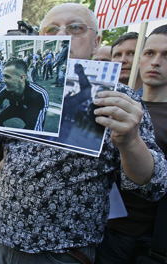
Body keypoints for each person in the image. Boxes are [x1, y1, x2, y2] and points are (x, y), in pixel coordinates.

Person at [0, 3, 167, 263]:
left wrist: (129, 141)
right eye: (51, 30)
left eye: (75, 28)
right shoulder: (12, 87)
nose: (63, 35)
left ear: (96, 43)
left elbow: (152, 183)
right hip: (3, 240)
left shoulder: (117, 98)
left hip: (62, 251)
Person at [96, 24, 167, 264]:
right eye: (149, 53)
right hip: (98, 225)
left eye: (166, 55)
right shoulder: (112, 102)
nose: (155, 62)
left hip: (142, 238)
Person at [0, 59, 49, 130]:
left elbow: (36, 129)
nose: (3, 80)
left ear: (22, 77)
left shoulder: (39, 94)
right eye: (3, 76)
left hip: (29, 112)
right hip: (13, 108)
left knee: (30, 130)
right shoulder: (6, 89)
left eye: (7, 76)